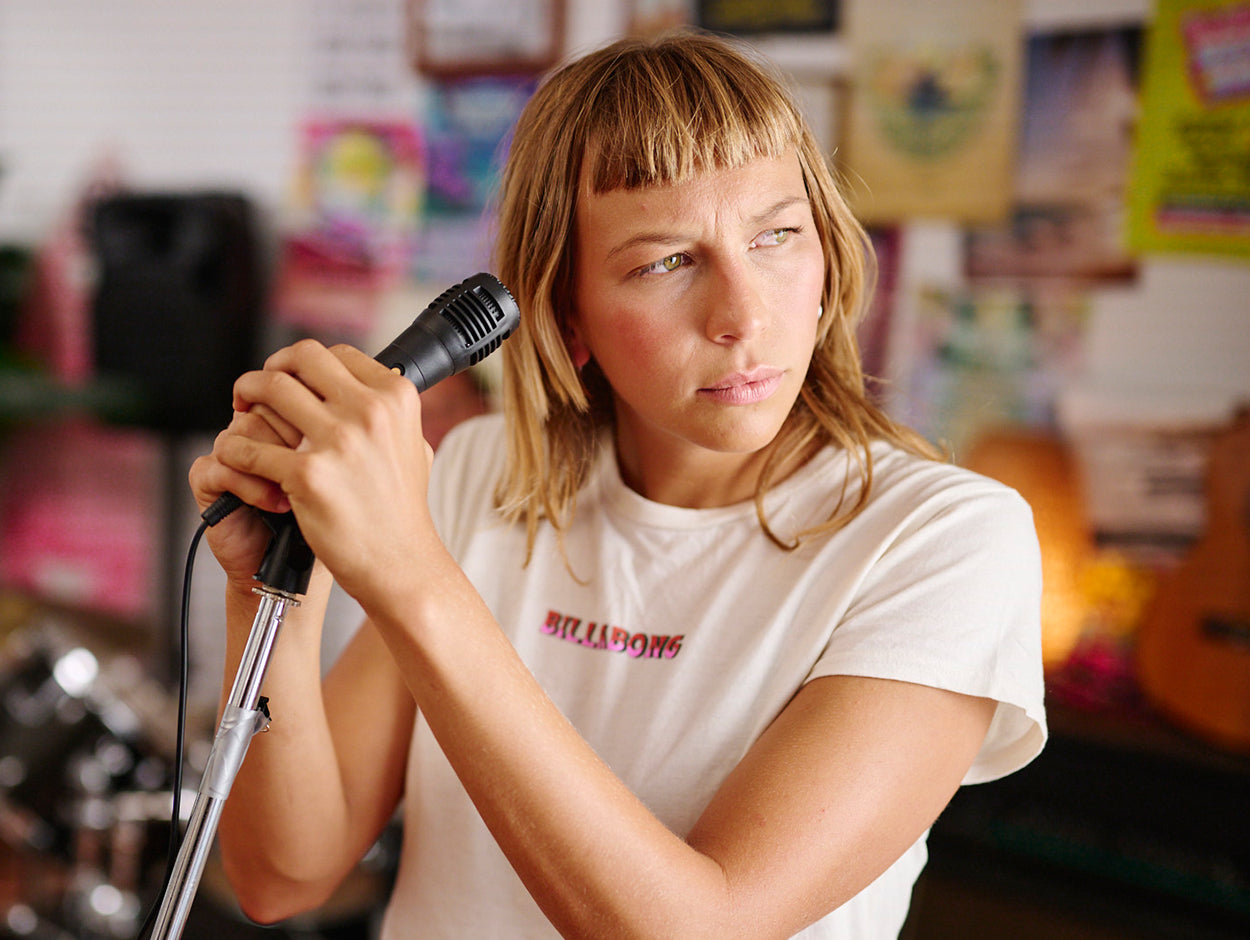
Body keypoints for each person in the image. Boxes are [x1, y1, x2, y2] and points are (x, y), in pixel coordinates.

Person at [189, 29, 1046, 940]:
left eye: (777, 236)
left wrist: (411, 572)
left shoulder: (945, 541)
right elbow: (281, 875)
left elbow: (700, 928)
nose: (743, 315)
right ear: (569, 313)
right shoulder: (487, 475)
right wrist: (268, 590)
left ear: (827, 250)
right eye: (665, 262)